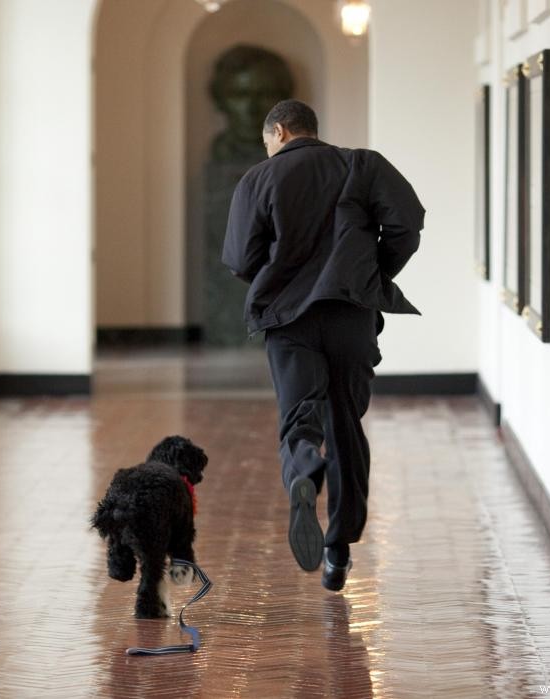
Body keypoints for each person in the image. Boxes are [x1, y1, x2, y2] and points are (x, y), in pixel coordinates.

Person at [222, 99, 424, 591]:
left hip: (290, 319)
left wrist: (277, 278)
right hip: (350, 314)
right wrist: (369, 272)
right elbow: (407, 222)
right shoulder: (362, 164)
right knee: (345, 424)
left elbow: (239, 257)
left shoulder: (258, 179)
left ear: (281, 131)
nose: (267, 149)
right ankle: (338, 549)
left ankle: (304, 469)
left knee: (300, 416)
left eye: (267, 140)